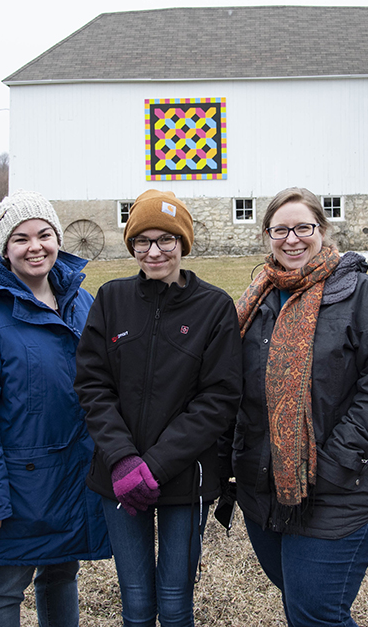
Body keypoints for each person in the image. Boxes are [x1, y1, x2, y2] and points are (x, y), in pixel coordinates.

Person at [234, 186, 368, 627]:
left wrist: (331, 464)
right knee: (302, 605)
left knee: (316, 613)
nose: (292, 239)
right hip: (265, 489)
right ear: (266, 235)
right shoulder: (255, 300)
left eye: (303, 228)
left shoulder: (361, 295)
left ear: (323, 230)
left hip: (342, 488)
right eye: (281, 229)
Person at [0, 191, 110, 627]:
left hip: (71, 476)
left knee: (61, 575)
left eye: (44, 234)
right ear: (4, 249)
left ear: (58, 239)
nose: (35, 246)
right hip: (16, 485)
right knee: (3, 588)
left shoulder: (81, 303)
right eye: (21, 238)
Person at [74, 189, 241, 627]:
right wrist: (125, 459)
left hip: (185, 477)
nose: (154, 251)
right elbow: (93, 385)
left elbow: (219, 397)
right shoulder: (111, 299)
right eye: (142, 241)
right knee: (136, 602)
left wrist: (158, 464)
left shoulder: (214, 307)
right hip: (119, 476)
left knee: (174, 602)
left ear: (183, 242)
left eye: (165, 240)